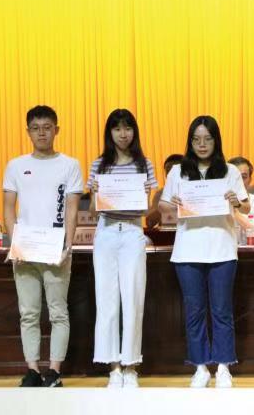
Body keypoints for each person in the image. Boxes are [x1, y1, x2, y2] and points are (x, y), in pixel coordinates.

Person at [160, 116, 250, 388]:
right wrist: (174, 203)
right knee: (194, 311)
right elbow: (163, 206)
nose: (202, 144)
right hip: (188, 251)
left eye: (207, 139)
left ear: (215, 140)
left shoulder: (230, 171)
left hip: (222, 249)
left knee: (222, 310)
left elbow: (246, 206)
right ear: (190, 142)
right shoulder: (178, 171)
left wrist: (236, 201)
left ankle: (223, 366)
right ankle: (200, 367)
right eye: (196, 139)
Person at [2, 105, 83, 387]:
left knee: (58, 312)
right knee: (29, 313)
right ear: (28, 132)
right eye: (35, 128)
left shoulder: (70, 165)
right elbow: (8, 208)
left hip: (55, 250)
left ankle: (54, 370)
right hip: (25, 251)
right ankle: (33, 370)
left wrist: (67, 245)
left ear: (56, 130)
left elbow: (72, 209)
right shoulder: (15, 165)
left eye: (47, 127)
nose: (41, 133)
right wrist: (15, 244)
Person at [87, 109, 158, 388]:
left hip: (131, 231)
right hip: (105, 231)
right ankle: (113, 367)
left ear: (134, 132)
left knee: (133, 297)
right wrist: (95, 193)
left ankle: (130, 366)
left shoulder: (144, 164)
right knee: (106, 300)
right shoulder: (99, 164)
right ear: (110, 133)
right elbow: (93, 212)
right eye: (117, 129)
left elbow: (146, 208)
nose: (123, 134)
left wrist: (142, 197)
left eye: (127, 128)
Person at [228, 156, 254, 242]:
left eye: (243, 177)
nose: (239, 182)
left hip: (250, 250)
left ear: (250, 179)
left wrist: (235, 211)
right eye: (234, 177)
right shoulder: (217, 203)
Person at [146, 154, 184, 229]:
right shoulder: (160, 194)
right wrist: (161, 210)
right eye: (167, 170)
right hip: (167, 233)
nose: (170, 173)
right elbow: (149, 223)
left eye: (174, 170)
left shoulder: (195, 191)